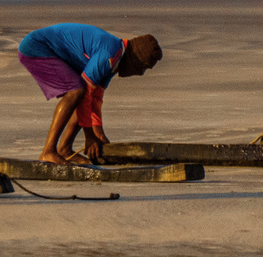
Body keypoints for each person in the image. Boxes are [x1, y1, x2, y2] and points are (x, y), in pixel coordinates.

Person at [17, 23, 162, 164]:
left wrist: (98, 132)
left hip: (48, 50)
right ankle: (48, 151)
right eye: (144, 67)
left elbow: (95, 98)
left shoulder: (115, 59)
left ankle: (64, 149)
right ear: (135, 59)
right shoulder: (109, 55)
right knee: (77, 92)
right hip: (36, 47)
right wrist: (90, 136)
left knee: (82, 95)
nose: (141, 73)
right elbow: (86, 93)